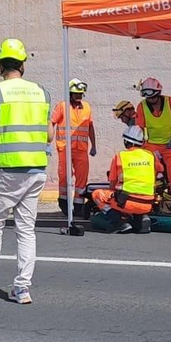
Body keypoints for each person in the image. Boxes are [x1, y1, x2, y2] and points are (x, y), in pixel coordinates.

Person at [0, 38, 49, 305]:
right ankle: (22, 289)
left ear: (0, 64)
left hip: (7, 169)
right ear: (23, 64)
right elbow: (49, 133)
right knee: (26, 230)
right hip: (36, 169)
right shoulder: (41, 92)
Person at [91, 126, 161, 234]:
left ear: (126, 141)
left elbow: (112, 183)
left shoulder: (120, 156)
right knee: (134, 199)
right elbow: (160, 169)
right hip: (148, 203)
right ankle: (142, 218)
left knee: (96, 195)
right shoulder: (150, 155)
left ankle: (119, 222)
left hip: (126, 202)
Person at [50, 78, 96, 235]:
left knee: (82, 178)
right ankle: (63, 201)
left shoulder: (87, 107)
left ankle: (78, 204)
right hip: (65, 149)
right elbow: (52, 122)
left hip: (81, 149)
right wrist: (46, 142)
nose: (79, 97)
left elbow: (90, 126)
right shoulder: (62, 106)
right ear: (70, 93)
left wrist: (94, 145)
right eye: (76, 94)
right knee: (64, 176)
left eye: (80, 94)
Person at [135, 77, 171, 204]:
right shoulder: (142, 106)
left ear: (158, 94)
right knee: (148, 172)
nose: (150, 100)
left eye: (152, 96)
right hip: (152, 144)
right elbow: (140, 128)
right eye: (147, 97)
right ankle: (148, 200)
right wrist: (139, 146)